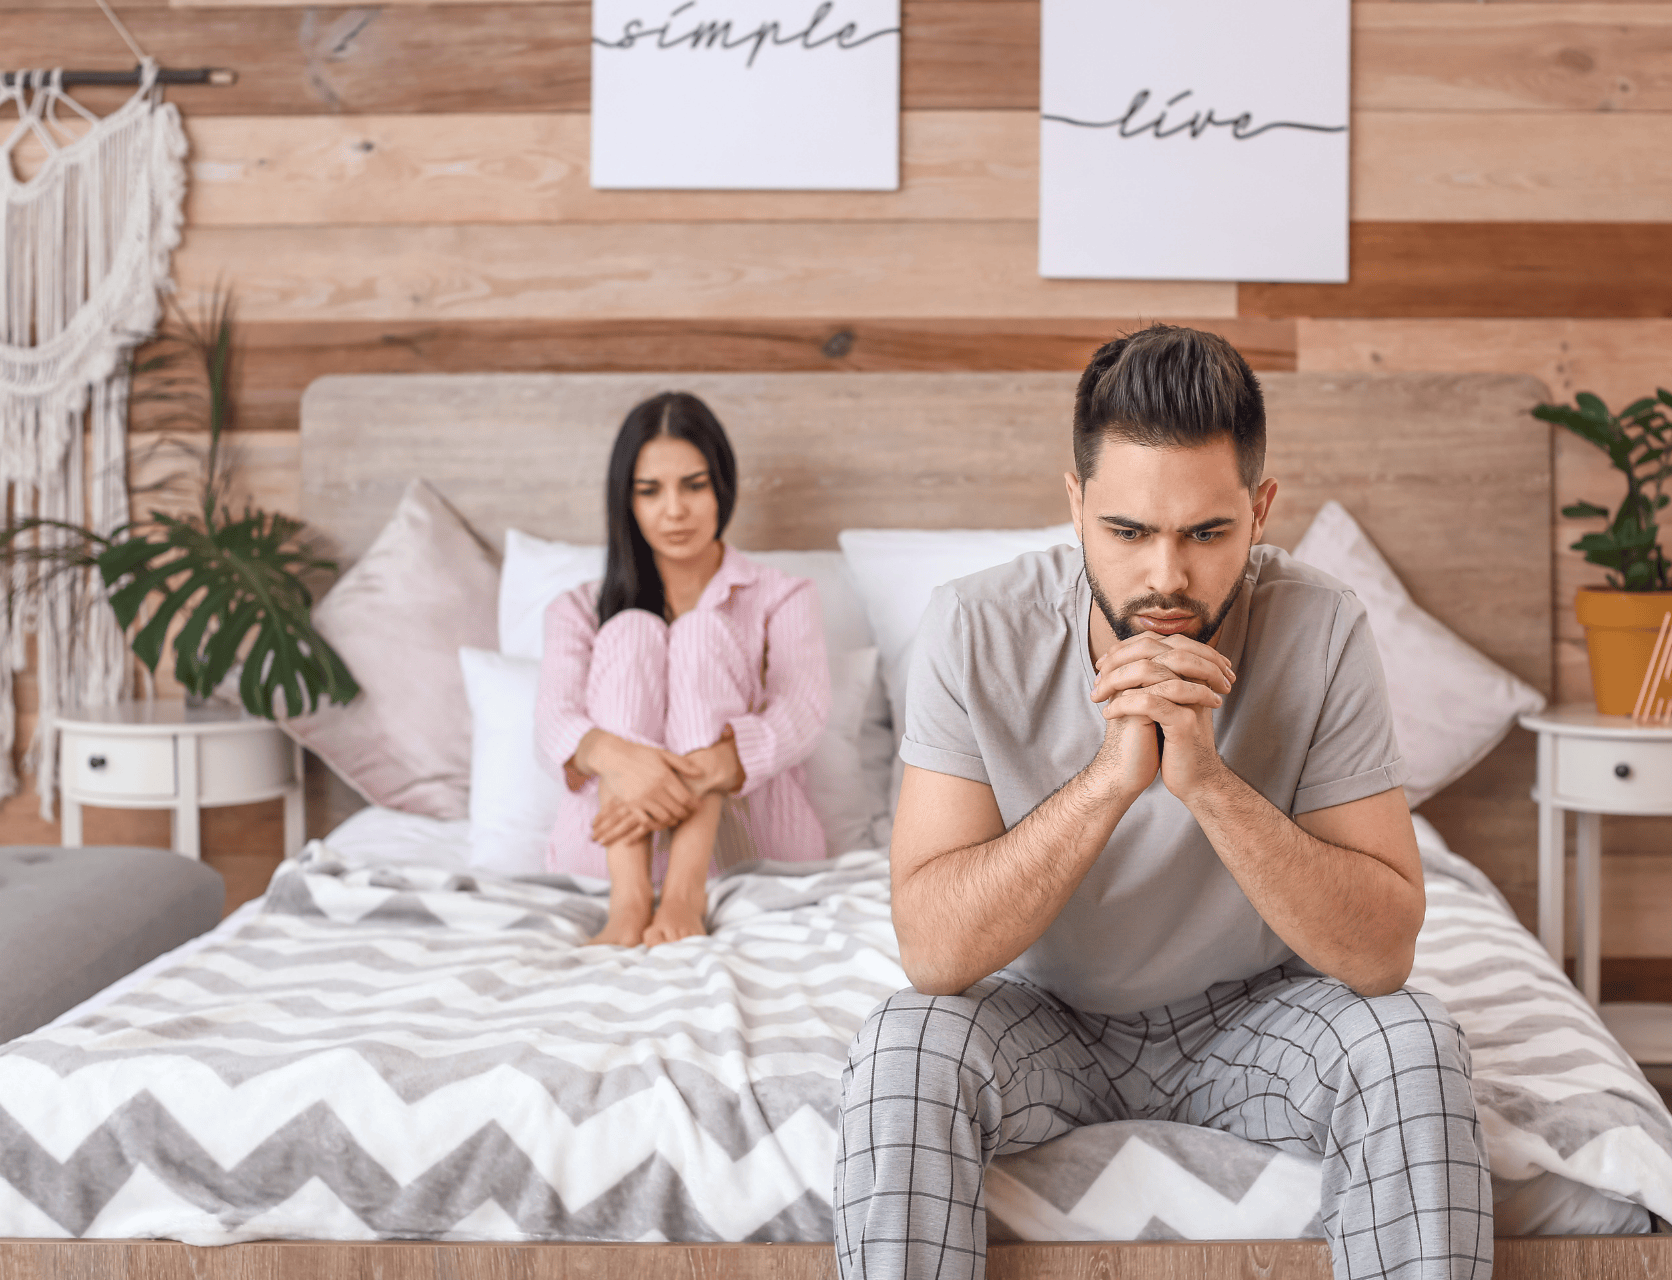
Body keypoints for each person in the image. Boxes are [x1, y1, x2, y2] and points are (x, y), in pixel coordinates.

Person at [832, 326, 1491, 1280]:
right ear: (1076, 506)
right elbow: (933, 951)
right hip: (1040, 1019)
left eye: (1207, 533)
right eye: (1129, 532)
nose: (1166, 578)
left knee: (1415, 1044)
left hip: (1255, 1018)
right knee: (902, 1043)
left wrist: (1208, 784)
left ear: (1260, 512)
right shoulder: (974, 626)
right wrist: (1111, 779)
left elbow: (1382, 953)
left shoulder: (1324, 624)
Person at [535, 391, 831, 946]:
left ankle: (685, 893)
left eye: (693, 485)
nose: (674, 510)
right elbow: (552, 720)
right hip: (604, 852)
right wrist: (624, 762)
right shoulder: (576, 607)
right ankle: (628, 903)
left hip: (748, 846)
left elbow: (804, 711)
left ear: (722, 485)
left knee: (697, 633)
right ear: (627, 501)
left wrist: (710, 766)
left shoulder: (783, 596)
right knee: (630, 629)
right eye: (650, 491)